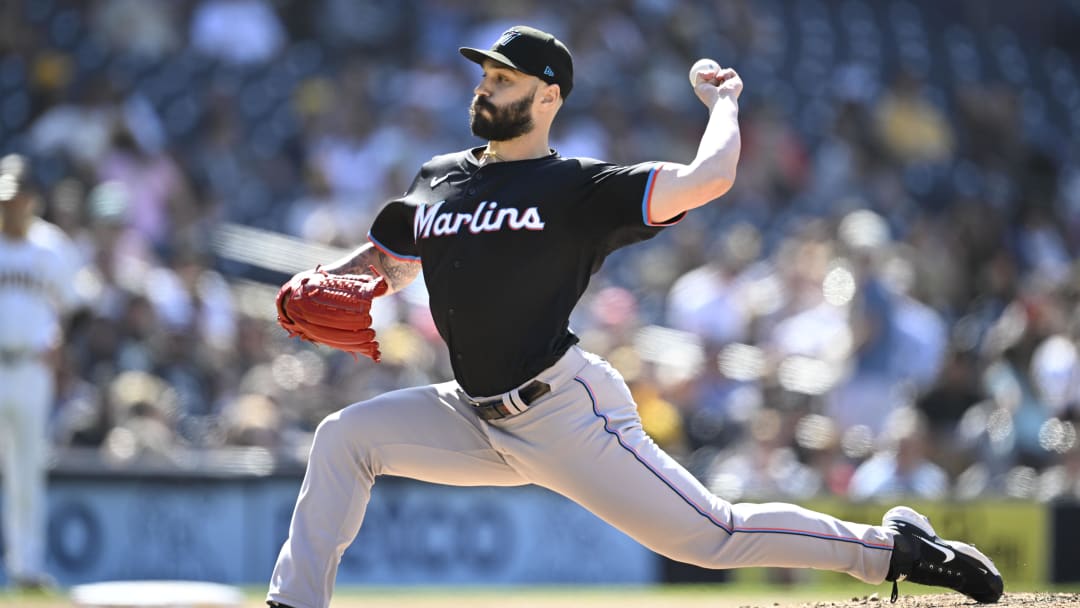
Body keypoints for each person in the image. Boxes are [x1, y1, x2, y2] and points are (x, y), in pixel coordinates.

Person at [267, 26, 1003, 608]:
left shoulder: (576, 189)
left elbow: (709, 179)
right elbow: (392, 263)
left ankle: (896, 550)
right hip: (470, 414)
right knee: (344, 439)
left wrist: (723, 105)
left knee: (713, 537)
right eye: (484, 75)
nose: (485, 87)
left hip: (563, 410)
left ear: (549, 96)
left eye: (503, 77)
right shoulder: (439, 178)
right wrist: (328, 282)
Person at [0, 154, 78, 590]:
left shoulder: (52, 246)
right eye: (4, 199)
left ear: (32, 199)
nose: (10, 207)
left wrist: (63, 341)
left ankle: (25, 567)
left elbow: (78, 306)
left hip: (31, 367)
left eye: (17, 198)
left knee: (27, 470)